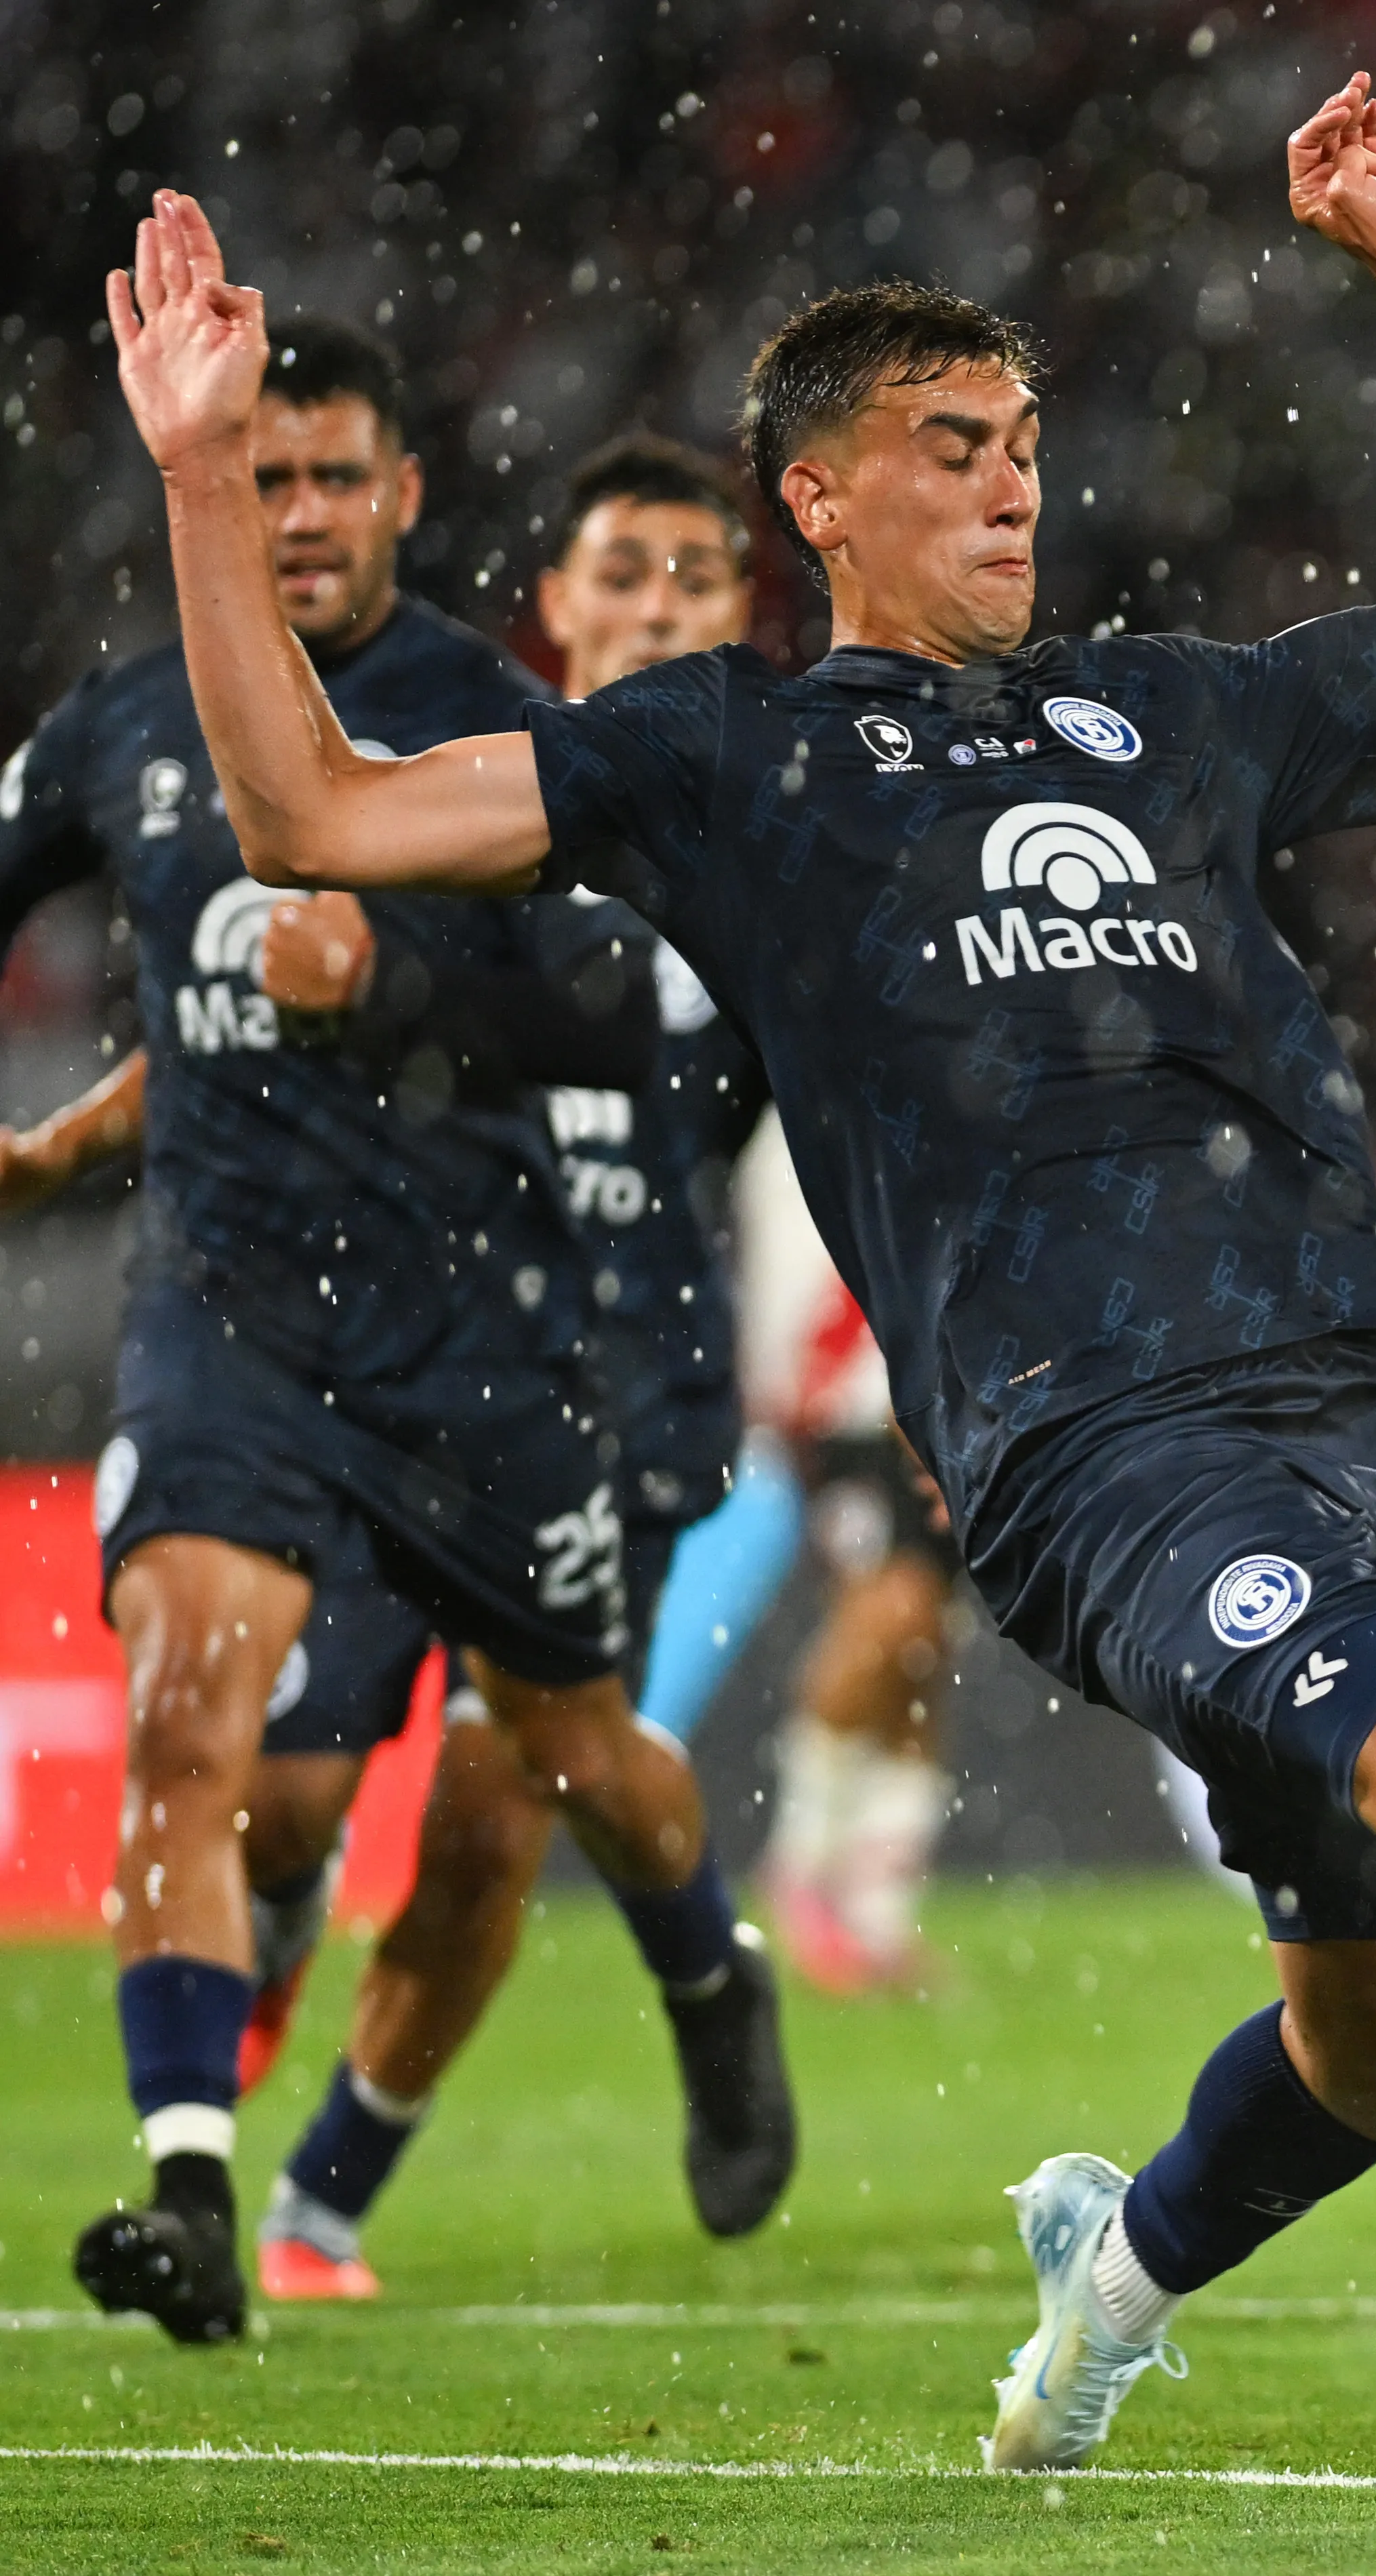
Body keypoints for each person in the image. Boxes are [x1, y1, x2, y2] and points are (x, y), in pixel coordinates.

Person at [100, 73, 1376, 2474]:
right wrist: (199, 472)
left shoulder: (1172, 714)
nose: (1016, 473)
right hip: (1085, 1446)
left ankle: (1097, 2298)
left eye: (1024, 433)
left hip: (1319, 1401)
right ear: (816, 497)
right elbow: (315, 813)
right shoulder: (732, 757)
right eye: (951, 440)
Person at [0, 319, 796, 2343]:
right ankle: (201, 2179)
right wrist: (76, 1139)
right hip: (239, 1335)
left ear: (405, 496)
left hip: (510, 1353)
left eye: (332, 477)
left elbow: (617, 1011)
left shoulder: (501, 730)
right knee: (218, 1752)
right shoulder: (125, 724)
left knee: (544, 1783)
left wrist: (397, 988)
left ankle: (705, 1979)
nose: (298, 518)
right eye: (259, 480)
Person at [243, 431, 784, 2299]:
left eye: (692, 578)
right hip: (399, 1363)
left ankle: (323, 2202)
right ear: (550, 609)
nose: (653, 604)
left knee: (493, 1816)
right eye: (618, 572)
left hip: (619, 1382)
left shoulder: (775, 850)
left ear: (742, 614)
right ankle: (693, 1956)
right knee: (288, 1793)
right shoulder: (443, 802)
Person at [731, 1115, 960, 1997]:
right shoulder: (802, 1106)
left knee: (927, 1643)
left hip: (931, 1396)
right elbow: (803, 1258)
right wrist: (805, 1392)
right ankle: (800, 1864)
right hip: (852, 1410)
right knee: (889, 1613)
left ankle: (876, 1909)